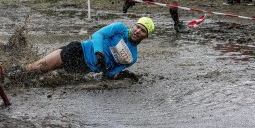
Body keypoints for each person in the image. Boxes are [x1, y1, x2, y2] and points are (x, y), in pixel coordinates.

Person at [8, 17, 155, 80]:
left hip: (84, 69)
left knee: (48, 76)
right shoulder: (119, 28)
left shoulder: (132, 57)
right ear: (133, 25)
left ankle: (20, 80)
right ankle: (10, 75)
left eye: (143, 31)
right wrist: (99, 52)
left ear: (146, 36)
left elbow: (109, 74)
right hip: (78, 50)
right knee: (41, 66)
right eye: (137, 26)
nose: (137, 31)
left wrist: (120, 75)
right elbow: (98, 34)